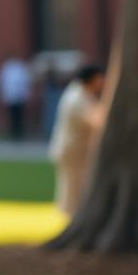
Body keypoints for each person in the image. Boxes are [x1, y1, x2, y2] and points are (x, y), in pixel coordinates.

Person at [48, 65, 107, 216]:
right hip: (72, 152)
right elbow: (96, 121)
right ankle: (70, 222)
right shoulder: (78, 97)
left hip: (73, 151)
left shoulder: (79, 93)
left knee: (72, 190)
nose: (101, 83)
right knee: (72, 192)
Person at [0, 55, 32, 140]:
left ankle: (19, 133)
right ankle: (13, 133)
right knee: (12, 117)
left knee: (19, 117)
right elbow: (3, 83)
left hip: (19, 97)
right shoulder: (7, 69)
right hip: (11, 97)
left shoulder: (19, 68)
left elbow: (25, 83)